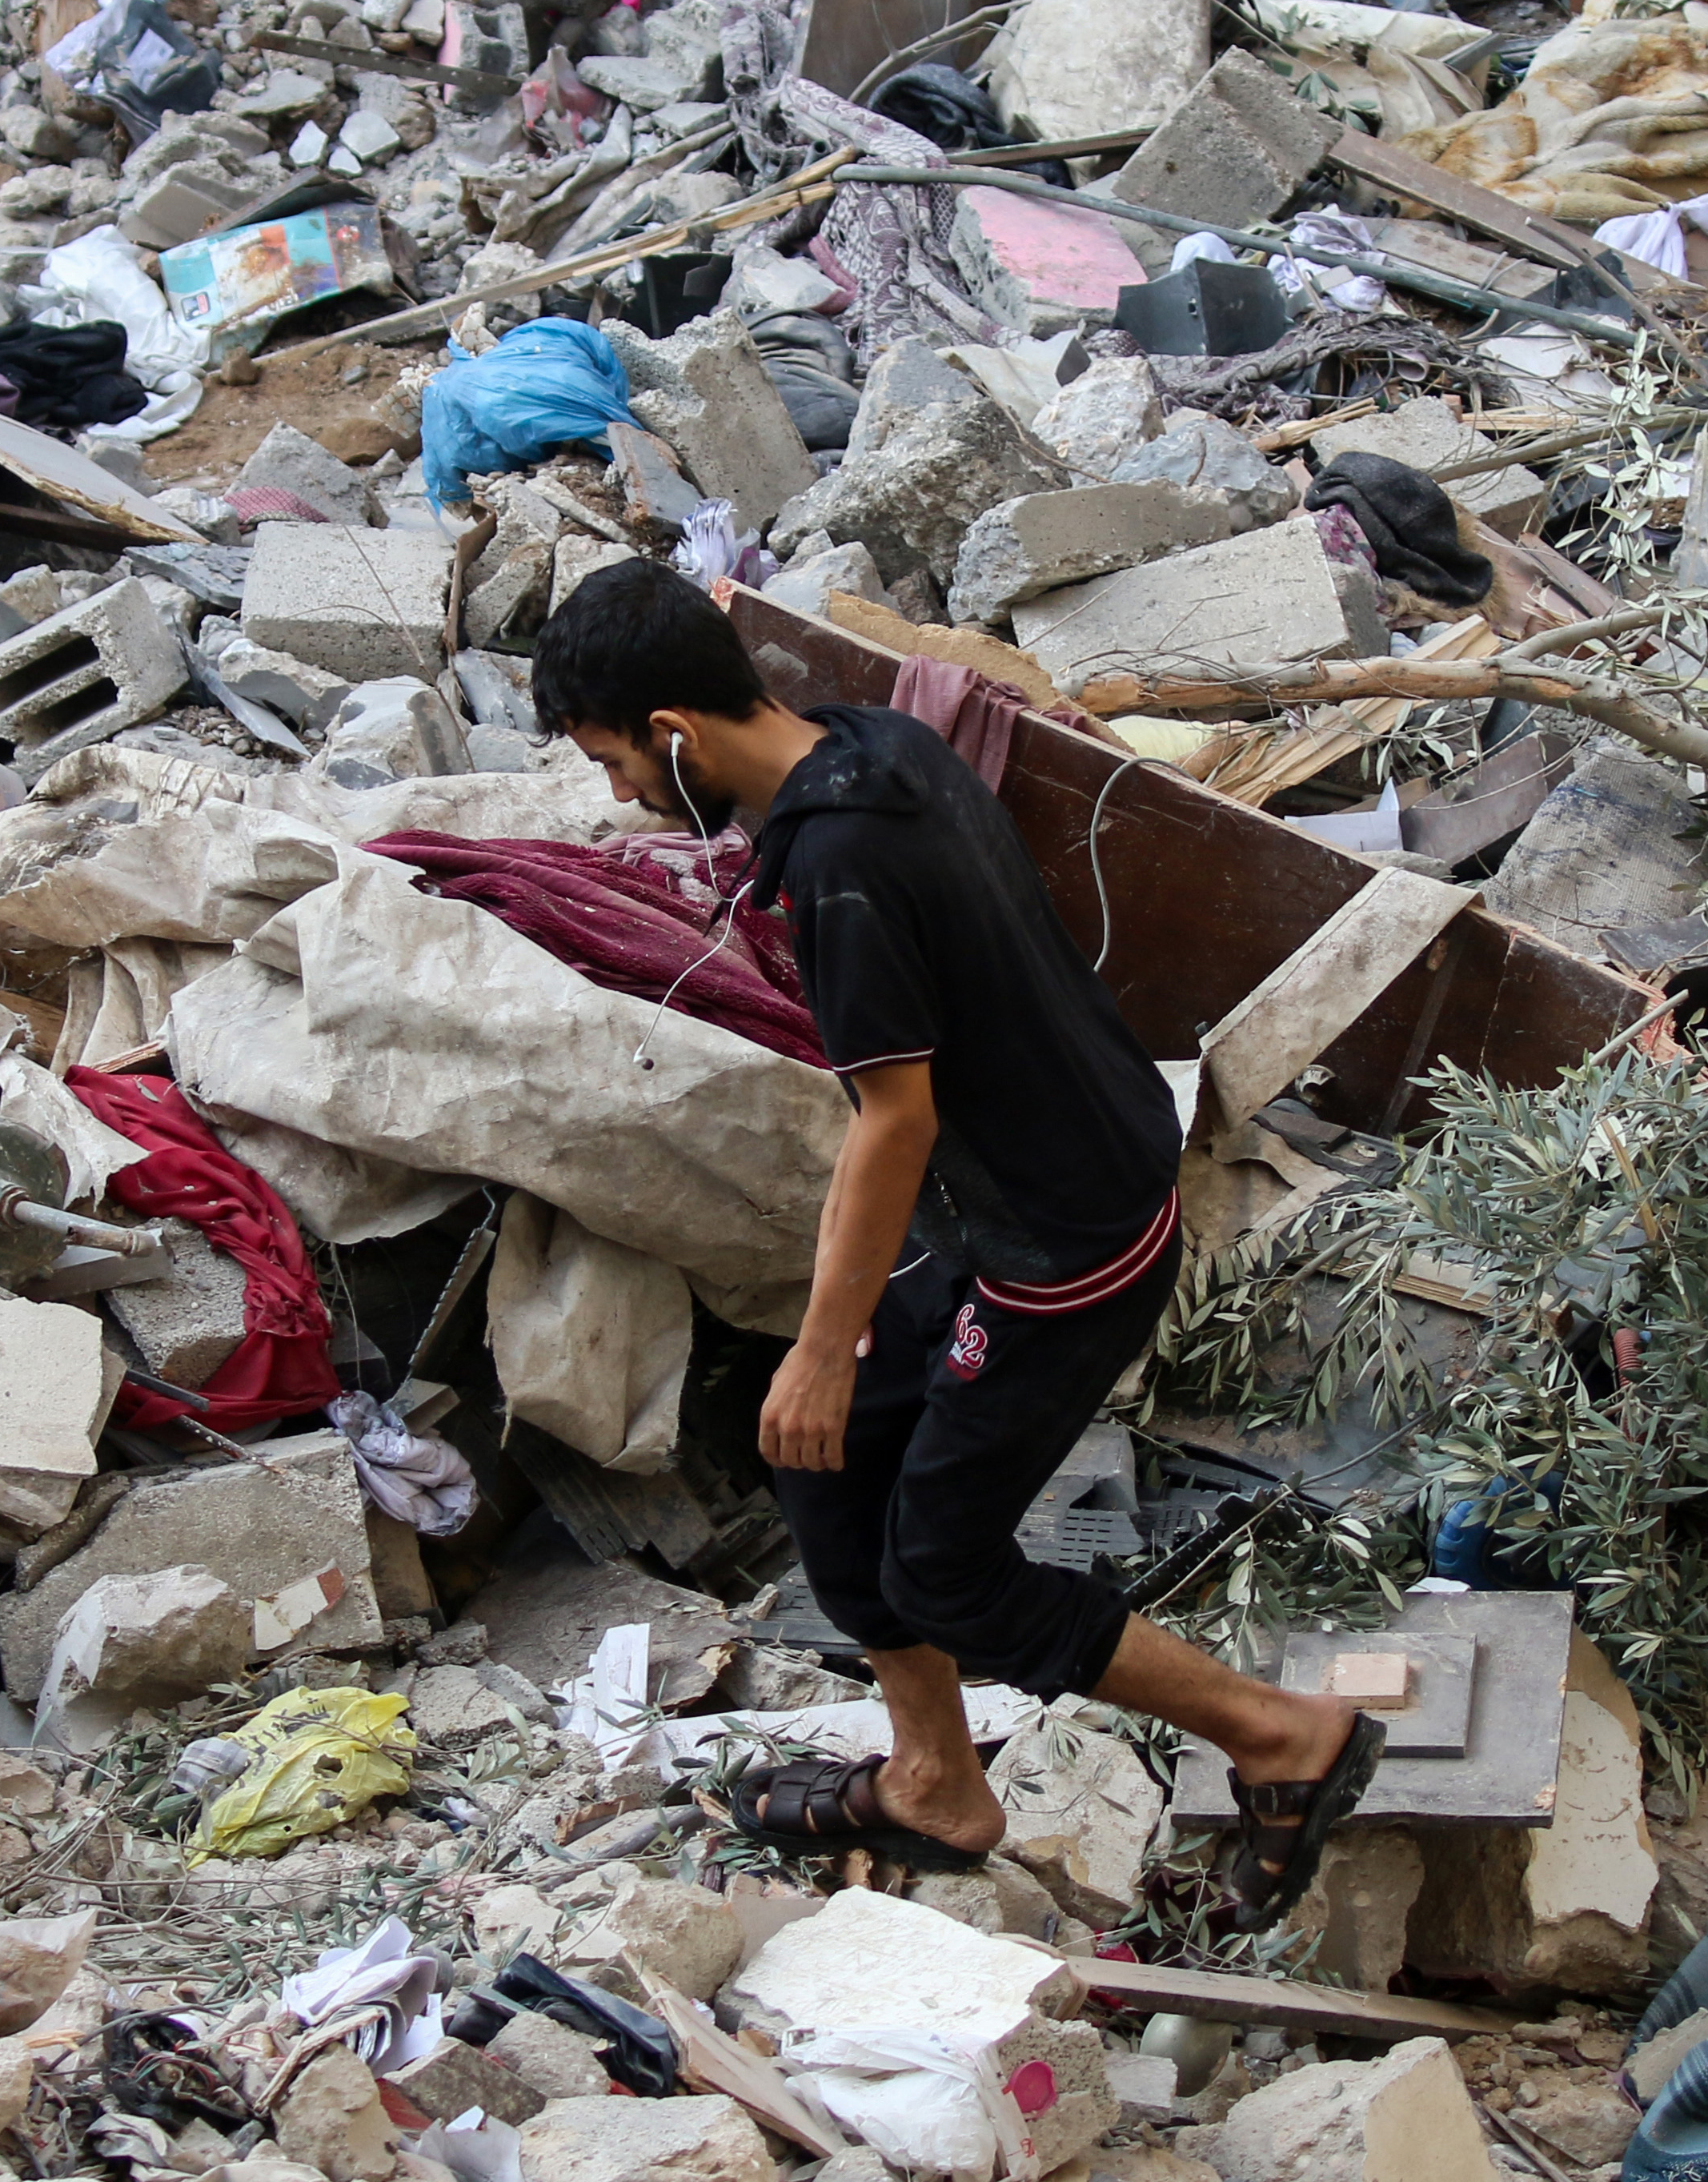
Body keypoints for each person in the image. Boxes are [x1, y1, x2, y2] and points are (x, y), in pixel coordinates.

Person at [531, 559, 1380, 1929]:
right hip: (1013, 1190)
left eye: (614, 759)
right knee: (812, 1442)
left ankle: (1283, 1735)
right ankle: (935, 1777)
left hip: (1063, 1241)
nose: (618, 792)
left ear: (674, 732)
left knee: (948, 1570)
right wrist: (819, 1367)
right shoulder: (875, 742)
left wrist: (819, 1337)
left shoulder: (843, 864)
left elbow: (893, 1118)